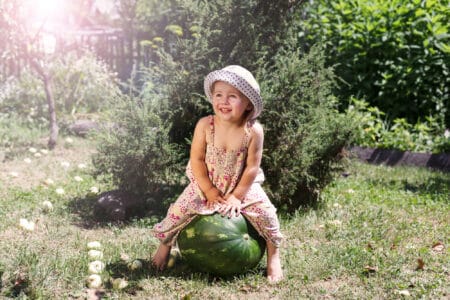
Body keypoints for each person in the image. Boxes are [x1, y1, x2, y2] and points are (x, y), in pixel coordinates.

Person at [151, 65, 283, 282]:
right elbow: (197, 160)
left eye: (232, 96)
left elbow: (251, 167)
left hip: (241, 186)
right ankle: (165, 245)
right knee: (178, 211)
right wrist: (209, 190)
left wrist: (236, 196)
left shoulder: (253, 131)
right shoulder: (205, 125)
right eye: (218, 95)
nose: (224, 101)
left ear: (248, 103)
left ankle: (273, 256)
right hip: (206, 182)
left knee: (268, 214)